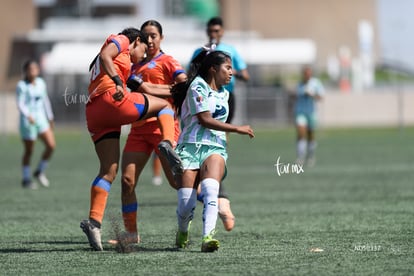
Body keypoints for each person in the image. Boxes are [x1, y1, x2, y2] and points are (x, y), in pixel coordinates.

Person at [80, 27, 183, 251]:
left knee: (108, 171)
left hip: (95, 111)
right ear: (137, 40)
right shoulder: (123, 40)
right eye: (143, 49)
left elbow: (106, 69)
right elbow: (107, 55)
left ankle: (94, 223)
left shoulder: (127, 60)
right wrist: (118, 82)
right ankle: (167, 142)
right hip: (109, 102)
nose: (143, 55)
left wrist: (119, 84)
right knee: (164, 106)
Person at [111, 20, 187, 245]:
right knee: (127, 181)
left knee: (177, 182)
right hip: (138, 131)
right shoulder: (132, 65)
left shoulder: (168, 61)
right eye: (146, 36)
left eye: (154, 35)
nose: (150, 40)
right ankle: (131, 234)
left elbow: (184, 86)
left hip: (163, 128)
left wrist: (151, 89)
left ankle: (214, 200)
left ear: (161, 38)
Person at [172, 50, 254, 252]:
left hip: (215, 147)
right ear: (213, 69)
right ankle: (183, 229)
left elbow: (214, 125)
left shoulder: (226, 94)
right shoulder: (197, 86)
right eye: (227, 68)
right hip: (189, 147)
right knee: (186, 204)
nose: (231, 72)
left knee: (210, 190)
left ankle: (207, 237)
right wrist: (237, 128)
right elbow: (204, 119)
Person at [190, 16, 250, 232]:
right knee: (197, 146)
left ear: (222, 31)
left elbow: (244, 74)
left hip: (224, 100)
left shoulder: (230, 50)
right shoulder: (200, 52)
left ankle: (217, 194)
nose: (213, 33)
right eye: (211, 29)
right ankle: (216, 197)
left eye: (217, 30)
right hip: (200, 98)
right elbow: (190, 74)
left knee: (216, 143)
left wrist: (235, 74)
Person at [16, 59, 56, 189]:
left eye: (35, 68)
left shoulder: (41, 83)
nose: (33, 71)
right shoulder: (22, 86)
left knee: (51, 145)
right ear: (26, 71)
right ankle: (26, 179)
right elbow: (20, 103)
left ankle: (39, 171)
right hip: (28, 121)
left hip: (41, 119)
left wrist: (50, 117)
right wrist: (28, 115)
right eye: (30, 69)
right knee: (29, 150)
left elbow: (45, 100)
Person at [294, 66, 324, 166]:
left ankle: (311, 156)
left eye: (309, 74)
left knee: (311, 135)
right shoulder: (299, 84)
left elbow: (321, 97)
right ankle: (300, 157)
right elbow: (296, 96)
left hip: (311, 112)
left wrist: (312, 95)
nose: (307, 76)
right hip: (300, 112)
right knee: (301, 133)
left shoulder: (316, 83)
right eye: (306, 74)